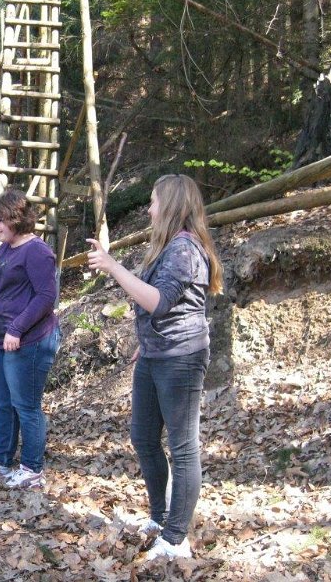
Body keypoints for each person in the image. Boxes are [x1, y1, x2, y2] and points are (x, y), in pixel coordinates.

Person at [86, 174, 223, 561]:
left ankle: (176, 538)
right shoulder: (167, 247)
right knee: (144, 438)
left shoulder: (183, 249)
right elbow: (160, 309)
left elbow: (159, 302)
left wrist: (113, 266)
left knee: (182, 449)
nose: (148, 209)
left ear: (172, 205)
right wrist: (142, 343)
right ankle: (161, 516)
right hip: (153, 355)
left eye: (153, 201)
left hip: (181, 358)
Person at [0, 188, 60, 489]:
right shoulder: (6, 248)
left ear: (16, 218)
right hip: (2, 337)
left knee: (26, 405)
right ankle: (1, 462)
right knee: (3, 403)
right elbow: (0, 291)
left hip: (31, 340)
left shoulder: (37, 251)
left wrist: (17, 328)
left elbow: (47, 297)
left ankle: (32, 468)